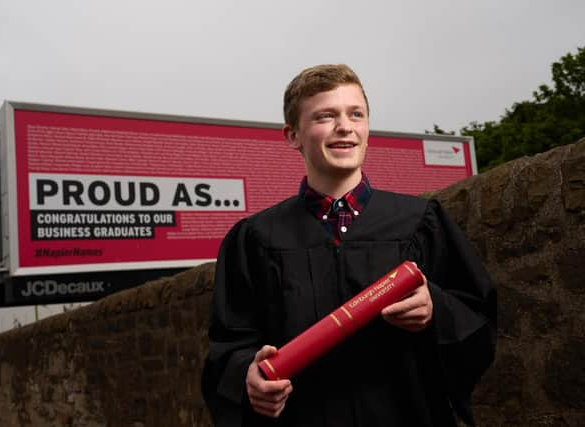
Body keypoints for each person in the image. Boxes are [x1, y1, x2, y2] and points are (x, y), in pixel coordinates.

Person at [202, 64, 496, 427]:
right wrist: (247, 375)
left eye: (356, 114)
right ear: (293, 135)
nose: (345, 126)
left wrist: (436, 308)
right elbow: (228, 343)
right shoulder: (255, 239)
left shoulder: (421, 222)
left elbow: (478, 318)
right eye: (325, 116)